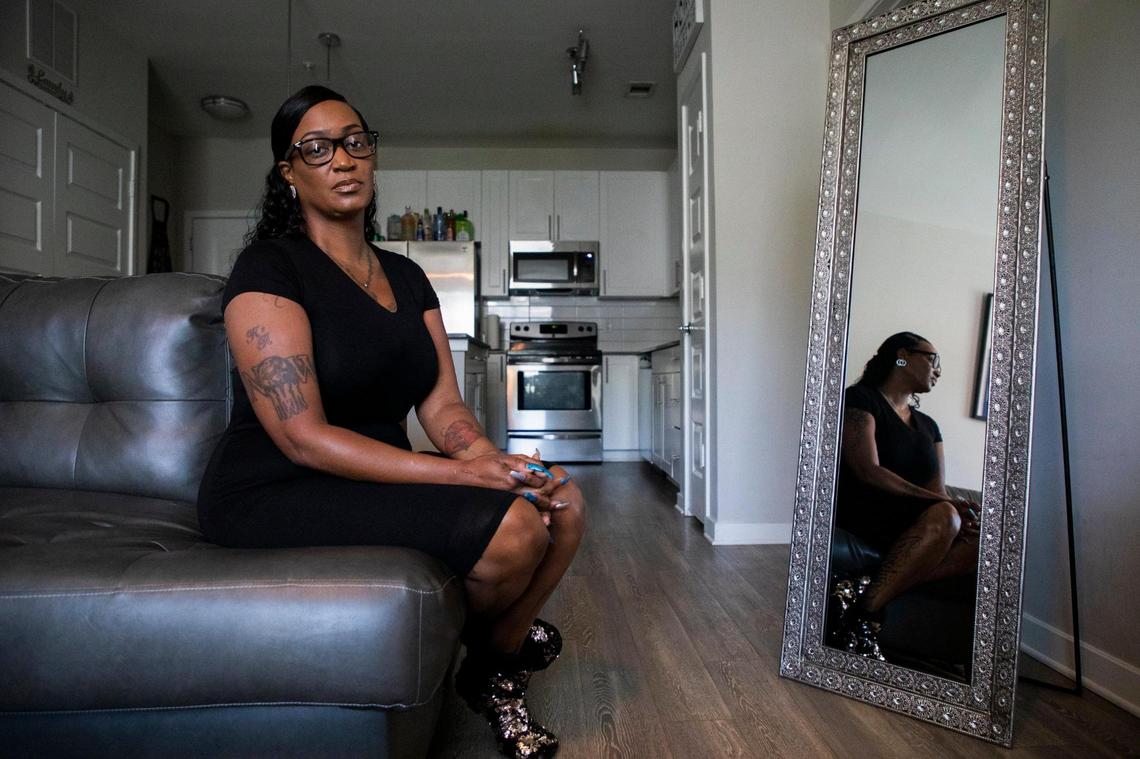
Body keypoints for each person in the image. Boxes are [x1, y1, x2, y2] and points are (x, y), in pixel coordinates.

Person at [196, 85, 583, 758]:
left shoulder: (407, 276)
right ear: (289, 173)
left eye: (355, 141)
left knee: (563, 504)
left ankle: (490, 659)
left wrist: (495, 463)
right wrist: (461, 474)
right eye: (315, 149)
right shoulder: (270, 268)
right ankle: (500, 668)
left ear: (372, 154)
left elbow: (442, 404)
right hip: (273, 486)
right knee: (515, 530)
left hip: (370, 477)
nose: (342, 160)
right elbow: (301, 435)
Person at [832, 332, 979, 657]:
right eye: (932, 359)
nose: (938, 370)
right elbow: (867, 469)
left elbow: (937, 489)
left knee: (982, 539)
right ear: (902, 356)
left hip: (917, 526)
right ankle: (869, 611)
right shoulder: (860, 399)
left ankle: (865, 605)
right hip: (868, 514)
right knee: (945, 514)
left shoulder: (929, 425)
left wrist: (958, 513)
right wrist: (943, 505)